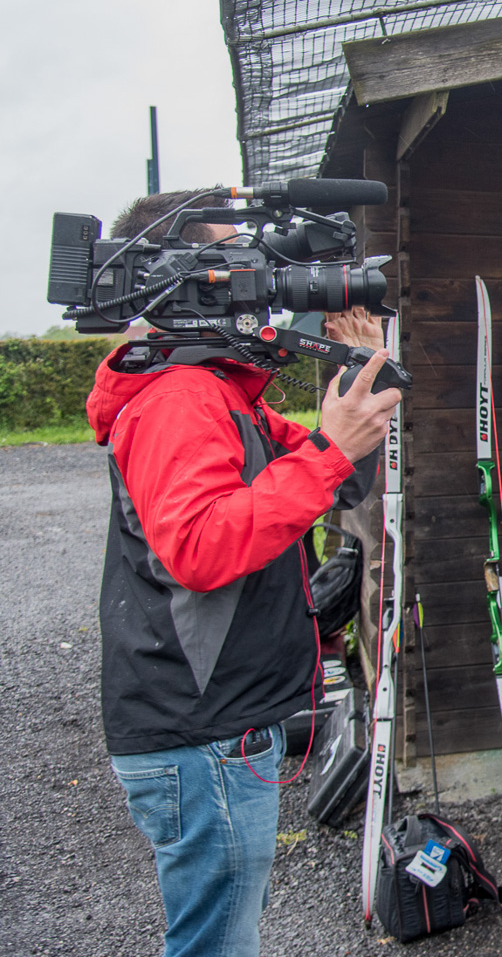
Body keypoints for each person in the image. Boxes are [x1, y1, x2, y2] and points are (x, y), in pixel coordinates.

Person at [97, 191, 399, 957]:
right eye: (240, 262)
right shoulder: (180, 398)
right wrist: (332, 450)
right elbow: (199, 548)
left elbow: (326, 477)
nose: (262, 282)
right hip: (201, 735)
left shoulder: (221, 396)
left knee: (224, 934)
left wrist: (362, 376)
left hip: (220, 726)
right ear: (189, 278)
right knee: (215, 945)